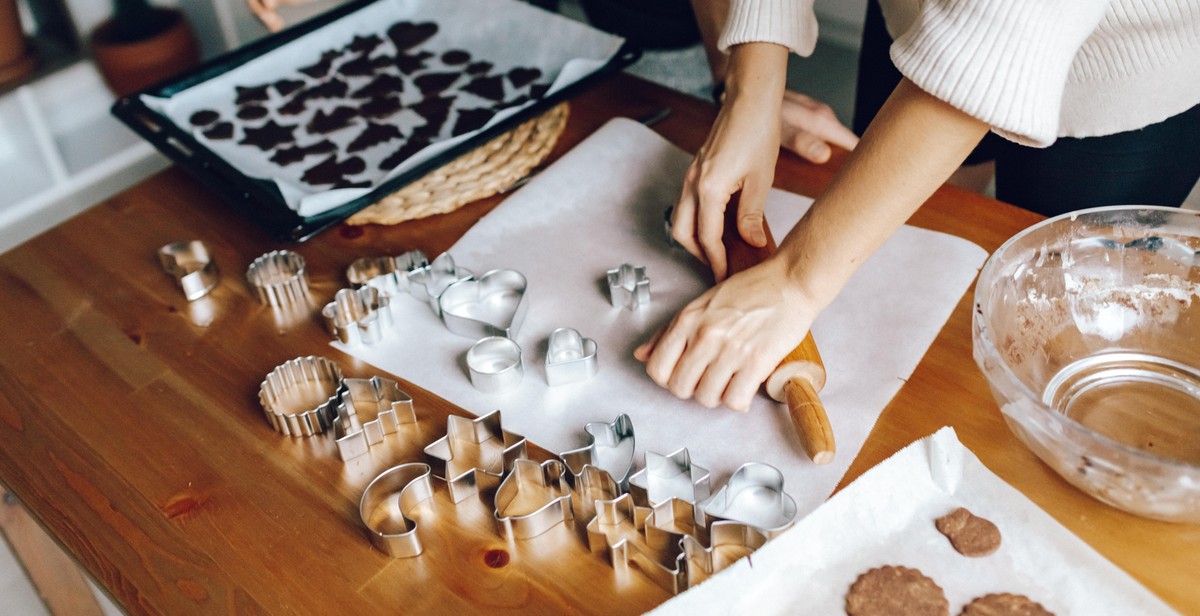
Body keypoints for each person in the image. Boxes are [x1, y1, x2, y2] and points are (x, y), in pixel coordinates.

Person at [636, 0, 1200, 411]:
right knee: (911, 245)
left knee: (1058, 332)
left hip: (1124, 64)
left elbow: (1003, 36)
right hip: (923, 21)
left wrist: (795, 282)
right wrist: (751, 90)